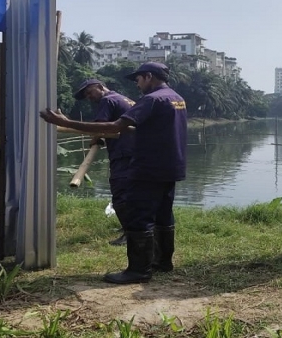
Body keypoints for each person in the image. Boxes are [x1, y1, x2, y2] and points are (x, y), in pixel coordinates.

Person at [40, 62, 187, 284]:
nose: (137, 85)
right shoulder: (176, 97)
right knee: (163, 215)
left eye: (138, 79)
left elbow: (113, 126)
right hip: (170, 165)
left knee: (139, 216)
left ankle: (139, 270)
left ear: (148, 76)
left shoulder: (152, 99)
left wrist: (64, 122)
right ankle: (162, 262)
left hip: (148, 166)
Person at [73, 78, 136, 246]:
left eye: (90, 92)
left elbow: (101, 126)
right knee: (133, 194)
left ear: (100, 87)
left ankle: (130, 234)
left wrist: (95, 139)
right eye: (86, 95)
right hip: (137, 152)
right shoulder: (123, 98)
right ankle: (134, 229)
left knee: (120, 195)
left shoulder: (107, 100)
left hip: (124, 153)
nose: (89, 97)